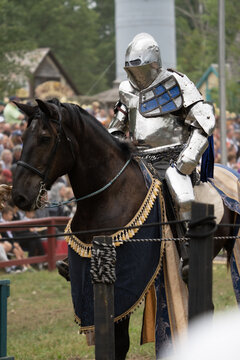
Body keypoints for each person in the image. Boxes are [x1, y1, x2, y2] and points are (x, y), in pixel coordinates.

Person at [108, 33, 215, 223]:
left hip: (173, 158)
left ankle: (192, 245)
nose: (136, 73)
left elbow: (204, 120)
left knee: (182, 195)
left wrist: (188, 158)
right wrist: (121, 150)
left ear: (153, 63)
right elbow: (115, 130)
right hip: (137, 159)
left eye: (139, 67)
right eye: (131, 68)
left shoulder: (177, 82)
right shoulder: (126, 90)